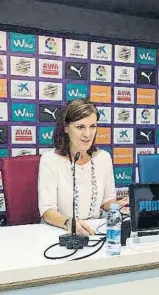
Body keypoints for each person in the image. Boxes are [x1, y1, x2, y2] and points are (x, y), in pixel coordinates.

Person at [38, 99, 127, 236]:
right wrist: (69, 223)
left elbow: (107, 200)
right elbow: (47, 211)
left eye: (92, 126)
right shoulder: (50, 160)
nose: (88, 134)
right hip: (59, 231)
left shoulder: (103, 157)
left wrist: (118, 207)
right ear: (66, 128)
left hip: (95, 231)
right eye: (80, 127)